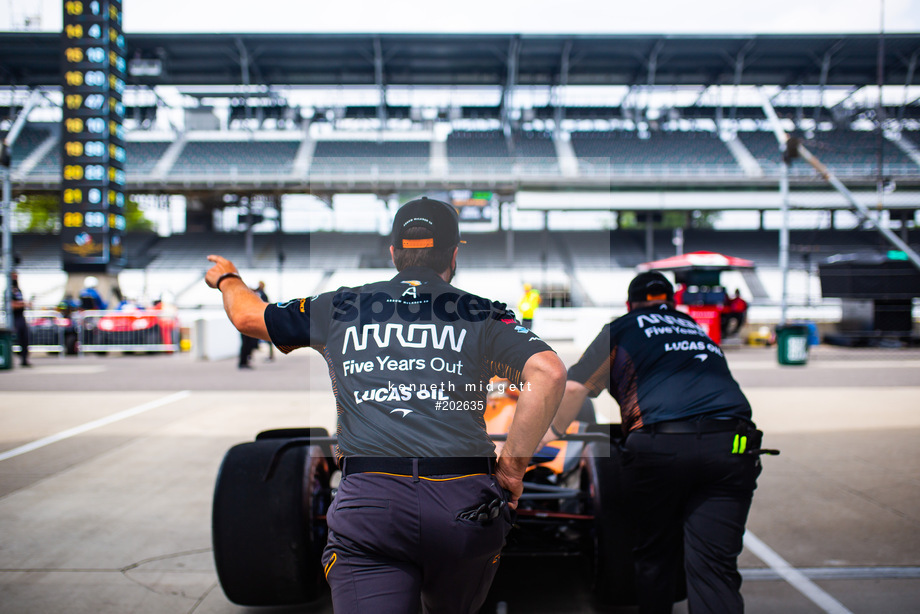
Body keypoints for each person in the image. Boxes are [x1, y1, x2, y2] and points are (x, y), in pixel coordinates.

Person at [205, 196, 566, 614]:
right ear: (453, 253)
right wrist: (512, 470)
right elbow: (549, 372)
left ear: (394, 252)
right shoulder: (482, 313)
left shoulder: (338, 306)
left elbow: (249, 317)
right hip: (465, 503)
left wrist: (228, 278)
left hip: (370, 502)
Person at [543, 271, 763, 614]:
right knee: (714, 568)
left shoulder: (623, 327)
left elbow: (574, 387)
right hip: (733, 445)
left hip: (661, 448)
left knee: (655, 556)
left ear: (630, 305)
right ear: (672, 303)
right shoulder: (694, 328)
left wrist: (552, 432)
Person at [10, 271, 30, 367]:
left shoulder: (18, 290)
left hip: (21, 317)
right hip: (13, 318)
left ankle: (24, 359)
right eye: (14, 276)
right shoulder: (9, 291)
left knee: (25, 339)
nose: (15, 278)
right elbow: (11, 305)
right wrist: (24, 304)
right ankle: (10, 359)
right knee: (14, 340)